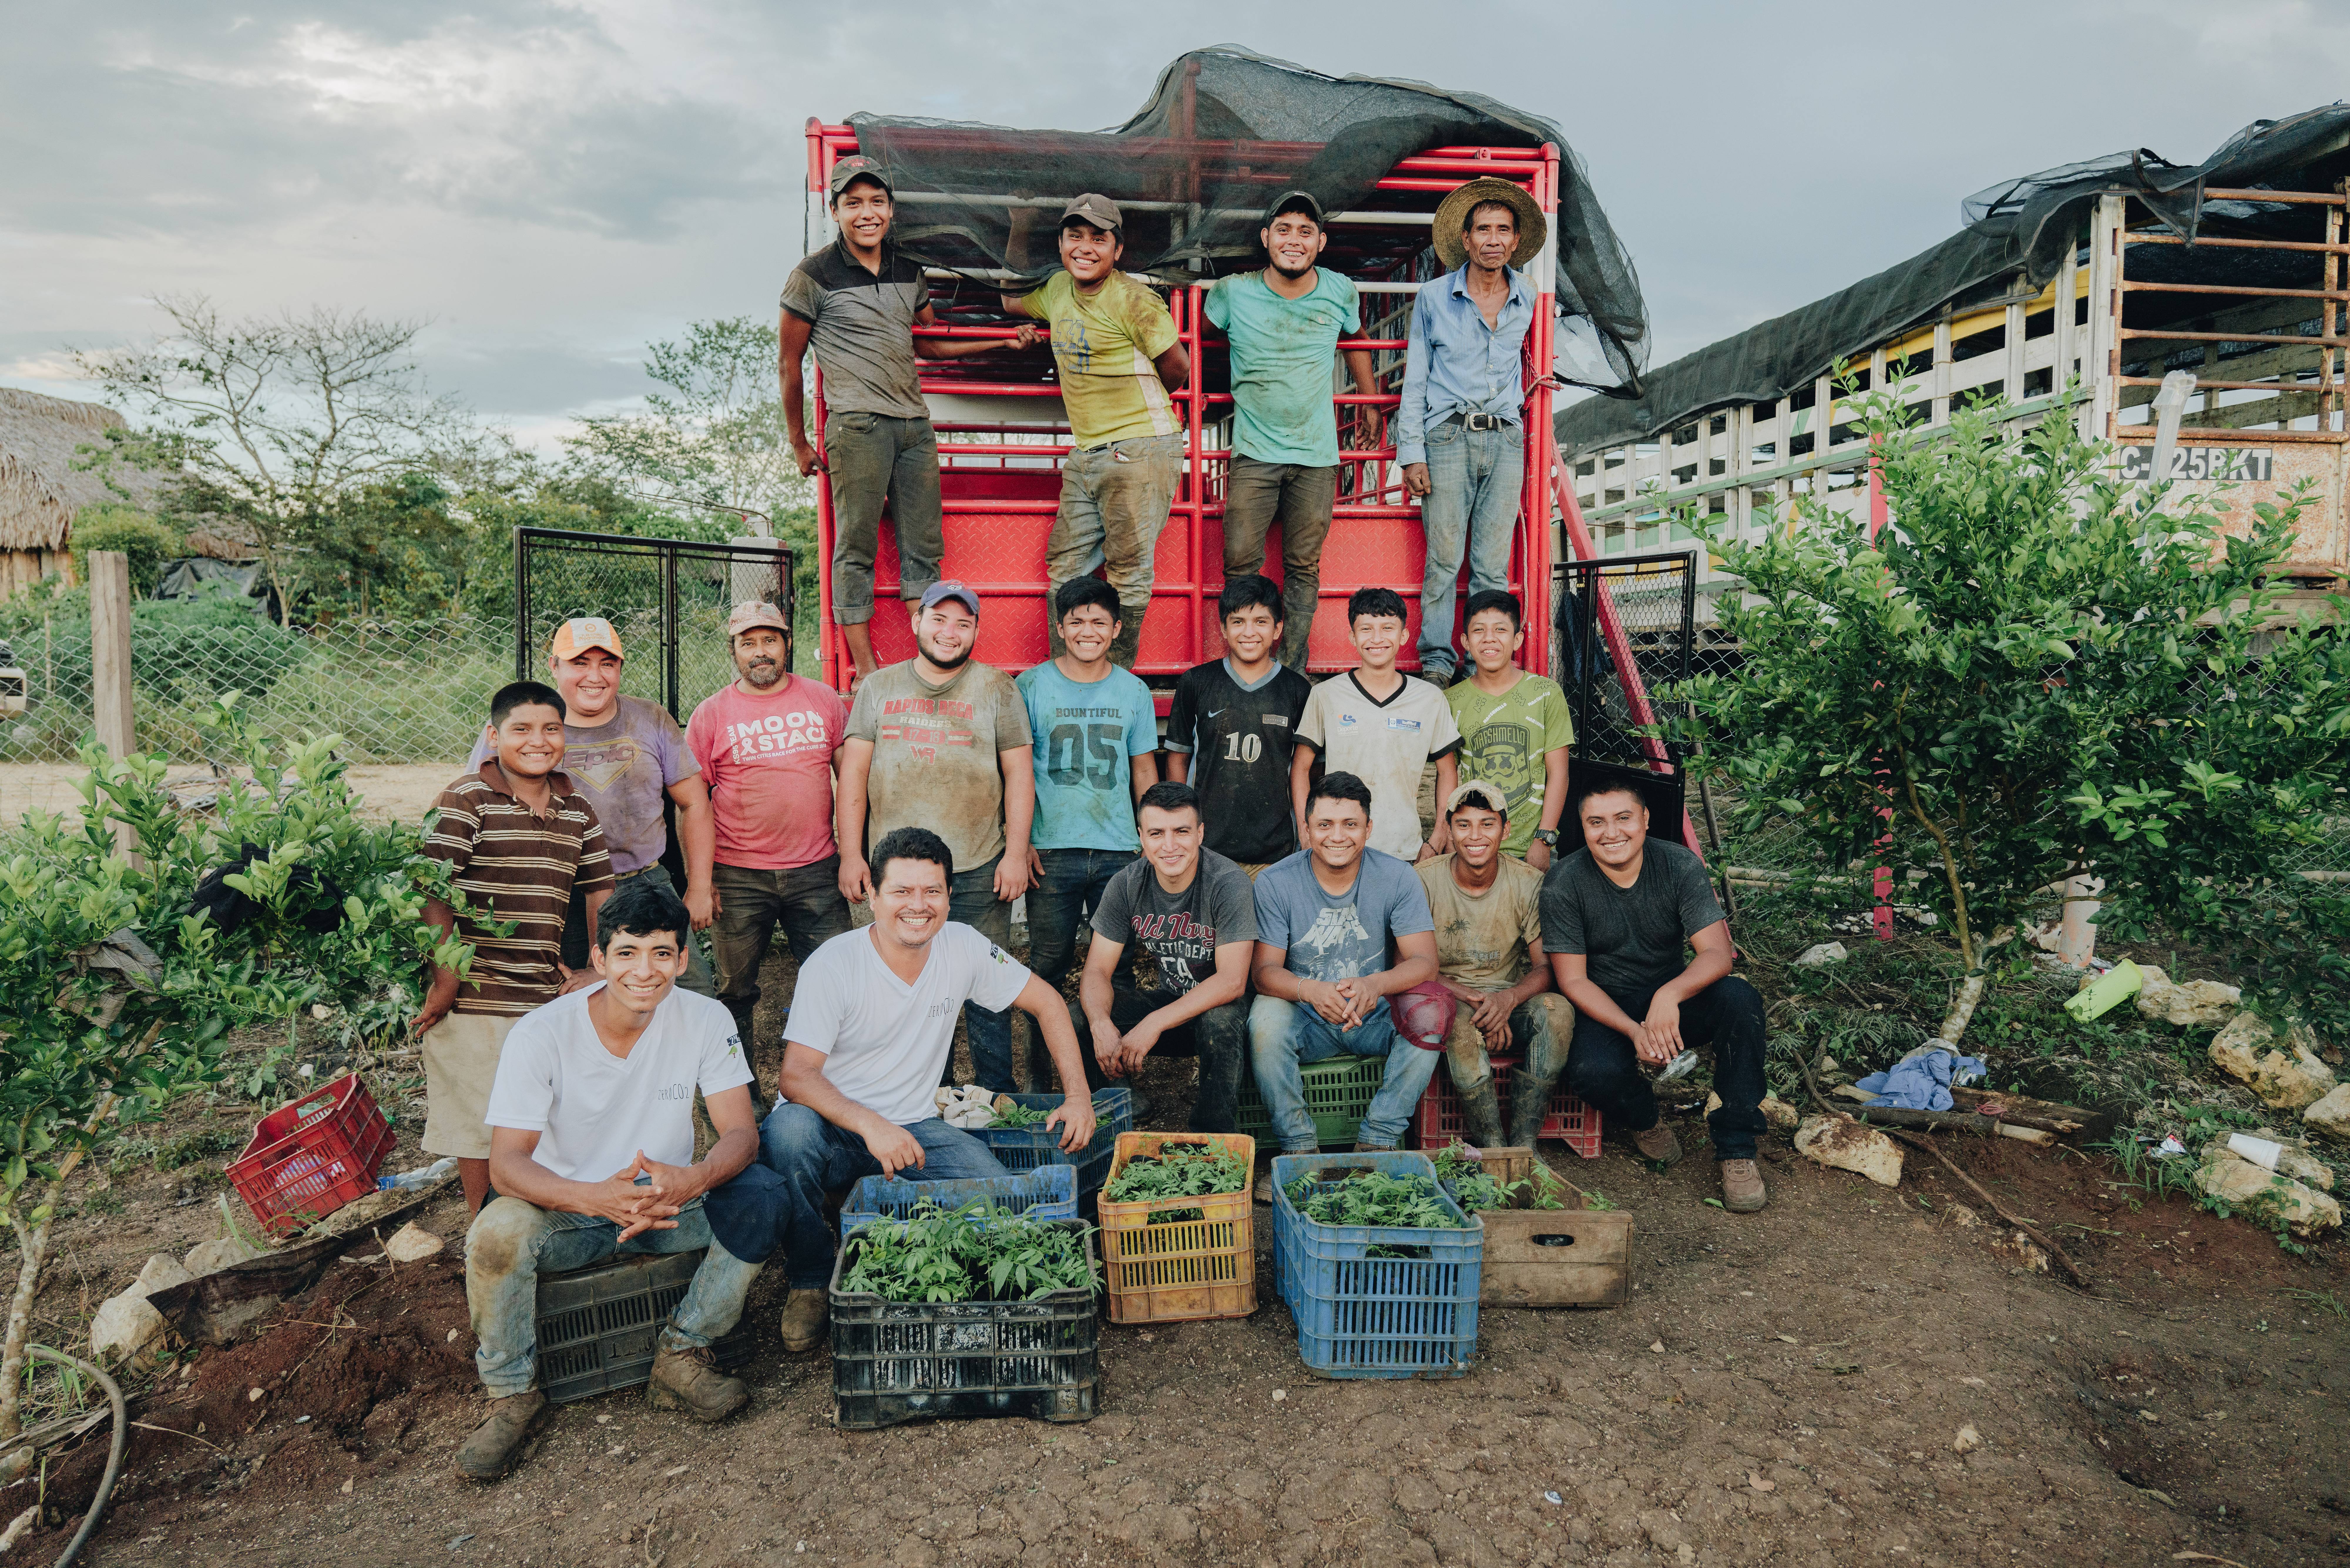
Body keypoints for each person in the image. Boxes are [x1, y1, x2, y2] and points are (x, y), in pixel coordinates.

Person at [457, 880, 783, 1481]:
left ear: (681, 960)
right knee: (495, 1235)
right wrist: (595, 1197)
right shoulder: (541, 1033)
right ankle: (511, 1394)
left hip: (664, 1207)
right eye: (627, 952)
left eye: (662, 952)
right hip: (565, 1212)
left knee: (763, 1196)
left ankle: (682, 1351)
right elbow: (507, 1165)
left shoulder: (705, 1018)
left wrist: (693, 1179)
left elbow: (741, 1132)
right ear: (600, 958)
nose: (645, 970)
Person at [760, 827, 1097, 1352]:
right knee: (787, 1133)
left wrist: (1078, 1096)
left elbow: (1049, 1002)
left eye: (932, 891)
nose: (918, 906)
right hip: (831, 1127)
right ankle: (810, 1275)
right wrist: (872, 1125)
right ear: (873, 895)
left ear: (949, 895)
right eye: (901, 891)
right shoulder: (834, 963)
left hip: (915, 1128)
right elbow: (796, 1076)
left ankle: (855, 1202)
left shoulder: (962, 946)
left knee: (1001, 1202)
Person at [780, 155, 1037, 682]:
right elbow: (790, 363)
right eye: (854, 203)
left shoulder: (907, 269)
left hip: (915, 428)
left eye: (877, 202)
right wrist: (799, 441)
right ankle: (867, 672)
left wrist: (1003, 339)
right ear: (836, 212)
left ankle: (930, 662)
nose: (867, 213)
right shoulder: (812, 276)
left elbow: (930, 341)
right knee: (855, 549)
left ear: (891, 210)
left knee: (924, 550)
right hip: (858, 427)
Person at [416, 681, 616, 1217]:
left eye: (551, 729)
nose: (538, 741)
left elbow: (600, 889)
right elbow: (430, 889)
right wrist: (448, 979)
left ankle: (539, 1227)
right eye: (521, 729)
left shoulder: (577, 808)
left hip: (545, 996)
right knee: (481, 1125)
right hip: (477, 997)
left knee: (541, 1117)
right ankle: (486, 1232)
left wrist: (598, 967)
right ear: (493, 735)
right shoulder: (466, 799)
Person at [836, 581, 1034, 1093]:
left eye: (963, 624)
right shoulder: (878, 688)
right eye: (940, 620)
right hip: (901, 877)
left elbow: (1019, 774)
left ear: (975, 631)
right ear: (917, 622)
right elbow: (853, 774)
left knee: (988, 986)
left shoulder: (997, 687)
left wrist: (1015, 852)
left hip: (978, 865)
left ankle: (995, 1097)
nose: (950, 632)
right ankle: (927, 1097)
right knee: (912, 985)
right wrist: (851, 854)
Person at [1543, 781, 1770, 1213]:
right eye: (1596, 822)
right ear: (1583, 827)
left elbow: (1717, 953)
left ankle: (1737, 1146)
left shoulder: (1678, 864)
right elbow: (1573, 981)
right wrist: (1634, 1031)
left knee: (1740, 1001)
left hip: (1672, 996)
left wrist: (1670, 994)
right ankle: (1645, 1118)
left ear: (1645, 819)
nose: (1612, 833)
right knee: (1592, 1072)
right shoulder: (1564, 881)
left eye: (1623, 818)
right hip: (1605, 1003)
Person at [467, 617, 716, 998]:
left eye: (607, 664)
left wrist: (698, 887)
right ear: (554, 666)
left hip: (644, 881)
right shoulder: (522, 727)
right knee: (569, 995)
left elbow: (694, 801)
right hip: (557, 891)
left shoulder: (649, 719)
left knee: (693, 992)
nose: (595, 676)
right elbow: (479, 809)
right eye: (580, 663)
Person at [1001, 195, 1190, 669]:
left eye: (1099, 239)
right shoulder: (1057, 289)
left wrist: (1135, 421)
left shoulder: (1134, 299)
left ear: (1117, 250)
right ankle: (1068, 678)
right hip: (1087, 452)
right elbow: (1009, 299)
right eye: (1075, 236)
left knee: (1128, 572)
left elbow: (1177, 368)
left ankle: (1114, 680)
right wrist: (1020, 226)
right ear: (1061, 244)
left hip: (1140, 448)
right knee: (1065, 566)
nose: (1085, 247)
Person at [1206, 192, 1382, 671]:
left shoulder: (1339, 290)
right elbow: (1195, 343)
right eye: (1283, 229)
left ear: (1321, 242)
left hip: (1317, 455)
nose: (1294, 240)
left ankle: (1291, 670)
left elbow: (1355, 340)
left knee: (1303, 566)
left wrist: (1370, 403)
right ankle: (1246, 664)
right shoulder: (1232, 292)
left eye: (1306, 231)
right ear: (1266, 237)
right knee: (1241, 563)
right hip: (1254, 452)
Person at [1249, 773, 1454, 1164]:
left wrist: (1375, 985)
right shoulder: (1275, 882)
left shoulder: (1397, 876)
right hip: (1306, 1018)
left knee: (1432, 1010)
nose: (1337, 836)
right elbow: (1264, 972)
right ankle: (1298, 1146)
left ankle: (1378, 1138)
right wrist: (1310, 990)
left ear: (1368, 828)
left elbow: (1425, 963)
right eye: (1325, 824)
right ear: (1306, 828)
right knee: (1265, 1020)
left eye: (1350, 824)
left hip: (1373, 1015)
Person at [1396, 177, 1549, 687]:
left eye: (1503, 230)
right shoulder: (1434, 297)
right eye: (1483, 229)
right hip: (1448, 436)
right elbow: (1416, 378)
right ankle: (1438, 664)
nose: (1493, 239)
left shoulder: (1529, 296)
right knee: (1444, 559)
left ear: (1516, 240)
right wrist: (1411, 453)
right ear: (1465, 239)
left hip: (1506, 439)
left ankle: (1484, 663)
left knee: (1491, 565)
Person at [685, 601, 855, 1045]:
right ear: (733, 651)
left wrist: (854, 854)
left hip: (817, 871)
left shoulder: (823, 700)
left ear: (787, 644)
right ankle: (738, 1081)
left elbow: (853, 781)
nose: (760, 652)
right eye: (748, 643)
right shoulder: (711, 714)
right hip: (738, 876)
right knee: (735, 990)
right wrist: (701, 882)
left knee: (842, 981)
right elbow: (692, 805)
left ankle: (838, 1076)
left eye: (770, 640)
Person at [1015, 577, 1159, 1083]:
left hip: (1119, 850)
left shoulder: (1133, 690)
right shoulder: (1030, 686)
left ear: (1117, 629)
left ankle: (1113, 1084)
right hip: (1051, 851)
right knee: (1047, 966)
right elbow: (1015, 769)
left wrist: (1151, 838)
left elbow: (1143, 770)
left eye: (1099, 621)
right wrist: (1020, 841)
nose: (1087, 630)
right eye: (1076, 621)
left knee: (1119, 968)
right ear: (1060, 628)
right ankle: (1041, 1082)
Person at [1075, 782, 1255, 1131]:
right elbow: (1097, 970)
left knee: (1219, 1020)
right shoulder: (1127, 884)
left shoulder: (1227, 882)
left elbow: (1232, 982)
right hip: (1172, 1002)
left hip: (1227, 1016)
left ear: (1200, 833)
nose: (1169, 846)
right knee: (1078, 1017)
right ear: (1141, 837)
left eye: (1181, 831)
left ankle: (1212, 1136)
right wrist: (1100, 1023)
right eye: (1157, 833)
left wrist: (1153, 1023)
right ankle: (1115, 1106)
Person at [1415, 783, 1574, 1149]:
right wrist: (1480, 1002)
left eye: (1487, 824)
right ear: (1449, 830)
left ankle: (1523, 1144)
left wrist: (1508, 1000)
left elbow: (1545, 967)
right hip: (1448, 998)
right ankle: (1492, 1146)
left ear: (1505, 830)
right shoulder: (1422, 879)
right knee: (1457, 1023)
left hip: (1507, 1000)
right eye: (1463, 825)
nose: (1475, 836)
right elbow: (1410, 966)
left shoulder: (1528, 883)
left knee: (1558, 1012)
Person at [1291, 586, 1461, 864]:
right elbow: (1300, 768)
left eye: (1388, 628)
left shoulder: (1430, 698)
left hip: (1404, 851)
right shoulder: (1326, 695)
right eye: (1366, 629)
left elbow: (1447, 771)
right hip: (1339, 846)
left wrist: (1438, 837)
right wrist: (1305, 830)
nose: (1377, 639)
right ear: (1353, 637)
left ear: (1404, 636)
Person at [1164, 574, 1312, 877]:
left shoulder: (1297, 690)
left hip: (1276, 856)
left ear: (1277, 629)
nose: (1249, 632)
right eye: (1238, 622)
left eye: (1261, 622)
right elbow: (1178, 761)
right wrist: (1181, 828)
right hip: (1208, 853)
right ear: (1223, 628)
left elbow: (1304, 771)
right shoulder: (1197, 682)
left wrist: (1306, 833)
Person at [1445, 590, 1575, 870]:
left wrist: (1544, 840)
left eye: (1501, 630)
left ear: (1518, 639)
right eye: (1479, 630)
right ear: (1465, 642)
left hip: (1532, 846)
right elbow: (1448, 776)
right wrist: (1448, 837)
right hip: (1474, 845)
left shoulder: (1546, 694)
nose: (1489, 638)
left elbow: (1559, 773)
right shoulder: (1451, 701)